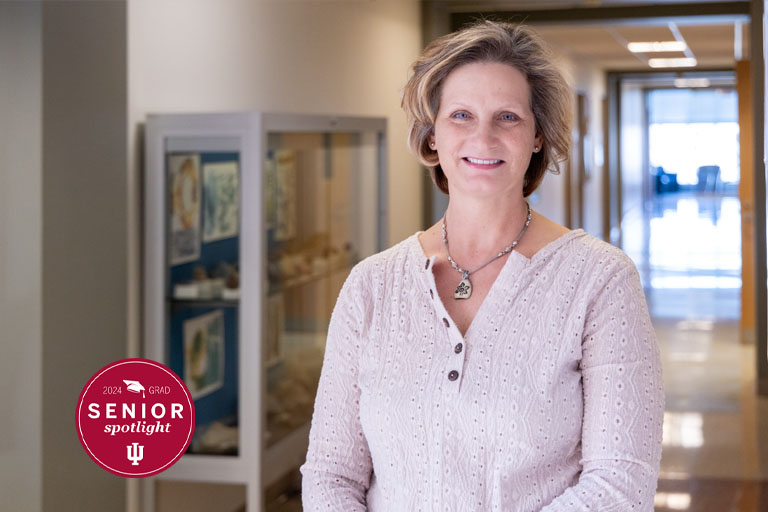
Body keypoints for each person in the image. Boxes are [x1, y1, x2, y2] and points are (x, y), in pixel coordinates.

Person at [300, 20, 663, 511]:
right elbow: (330, 475)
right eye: (461, 115)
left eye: (508, 117)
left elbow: (621, 484)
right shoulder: (371, 286)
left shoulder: (600, 281)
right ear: (432, 136)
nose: (483, 136)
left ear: (538, 136)